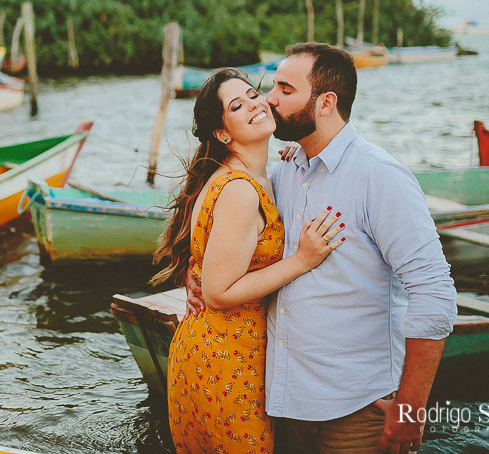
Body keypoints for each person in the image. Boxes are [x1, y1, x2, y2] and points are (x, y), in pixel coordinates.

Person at [188, 43, 457, 453]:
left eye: (284, 89)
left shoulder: (378, 176)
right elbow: (242, 246)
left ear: (326, 102)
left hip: (354, 408)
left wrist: (411, 411)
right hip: (284, 402)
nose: (269, 99)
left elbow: (434, 294)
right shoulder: (283, 172)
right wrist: (196, 275)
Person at [152, 67, 346, 453]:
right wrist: (302, 260)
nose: (255, 104)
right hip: (225, 360)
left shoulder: (251, 175)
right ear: (223, 133)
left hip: (213, 350)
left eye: (253, 95)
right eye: (237, 106)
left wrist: (295, 155)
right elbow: (219, 292)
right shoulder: (240, 191)